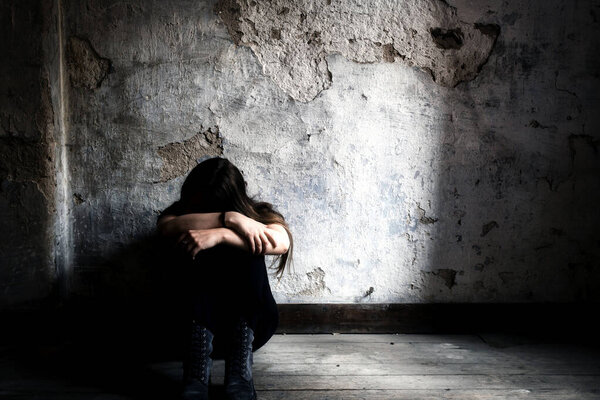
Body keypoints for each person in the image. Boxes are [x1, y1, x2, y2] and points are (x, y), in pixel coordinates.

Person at [156, 157, 293, 400]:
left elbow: (281, 243)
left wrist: (223, 235)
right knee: (191, 247)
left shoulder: (258, 215)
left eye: (220, 207)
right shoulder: (179, 215)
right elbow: (167, 227)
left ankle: (239, 374)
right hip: (191, 332)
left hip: (247, 332)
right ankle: (196, 374)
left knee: (251, 250)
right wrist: (229, 218)